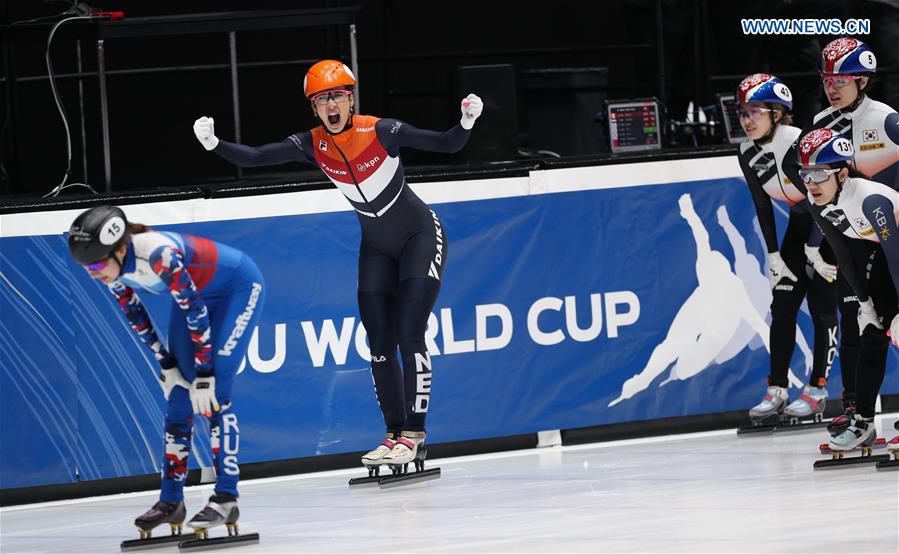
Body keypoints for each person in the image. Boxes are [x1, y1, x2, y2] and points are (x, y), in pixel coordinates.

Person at [192, 60, 482, 471]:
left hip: (420, 236)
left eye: (337, 96)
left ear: (350, 99)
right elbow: (258, 157)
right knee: (379, 342)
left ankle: (415, 436)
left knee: (409, 330)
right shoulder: (312, 143)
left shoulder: (380, 130)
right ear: (314, 107)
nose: (331, 105)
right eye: (321, 99)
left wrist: (466, 122)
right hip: (377, 247)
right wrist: (214, 144)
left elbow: (445, 144)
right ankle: (393, 434)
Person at [67, 205, 265, 538]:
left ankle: (226, 497)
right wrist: (166, 364)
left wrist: (203, 374)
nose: (94, 273)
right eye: (87, 268)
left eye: (98, 264)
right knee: (177, 399)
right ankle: (171, 500)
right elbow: (135, 314)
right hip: (196, 296)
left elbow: (196, 313)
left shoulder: (159, 254)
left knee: (215, 394)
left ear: (120, 248)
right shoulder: (111, 267)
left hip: (238, 288)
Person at [784, 38, 899, 432]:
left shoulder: (886, 120)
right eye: (826, 79)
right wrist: (817, 243)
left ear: (863, 81)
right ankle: (856, 409)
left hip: (889, 229)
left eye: (841, 80)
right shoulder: (818, 125)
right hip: (854, 238)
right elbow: (806, 184)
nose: (831, 87)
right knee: (855, 320)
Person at [734, 73, 839, 425]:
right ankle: (777, 389)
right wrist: (774, 253)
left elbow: (819, 201)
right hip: (799, 226)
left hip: (829, 227)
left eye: (755, 112)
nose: (747, 121)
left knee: (823, 308)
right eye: (742, 113)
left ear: (777, 114)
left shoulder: (796, 142)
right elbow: (763, 205)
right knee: (782, 307)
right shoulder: (746, 152)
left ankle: (818, 389)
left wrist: (813, 249)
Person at [796, 128, 898, 453]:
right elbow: (843, 254)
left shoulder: (871, 200)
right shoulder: (819, 202)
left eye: (818, 175)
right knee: (871, 332)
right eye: (805, 174)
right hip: (879, 254)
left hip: (895, 252)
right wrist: (866, 303)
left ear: (841, 173)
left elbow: (895, 257)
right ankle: (864, 423)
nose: (810, 184)